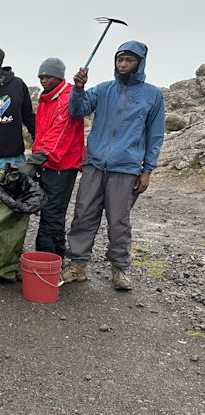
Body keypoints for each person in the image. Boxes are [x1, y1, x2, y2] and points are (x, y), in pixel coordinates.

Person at [62, 41, 165, 290]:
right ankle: (78, 265)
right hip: (95, 164)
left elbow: (155, 135)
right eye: (119, 59)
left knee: (119, 221)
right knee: (83, 215)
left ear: (140, 63)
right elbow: (77, 111)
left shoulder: (153, 95)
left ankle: (120, 269)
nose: (122, 64)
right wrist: (78, 88)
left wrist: (147, 170)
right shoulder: (104, 89)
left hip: (126, 168)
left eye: (128, 60)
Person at [16, 58, 85, 257]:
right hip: (47, 163)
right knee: (53, 213)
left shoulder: (67, 98)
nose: (43, 80)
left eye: (48, 76)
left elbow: (58, 135)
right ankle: (58, 256)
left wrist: (34, 161)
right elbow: (41, 134)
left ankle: (45, 261)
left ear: (59, 76)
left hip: (62, 166)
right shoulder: (47, 98)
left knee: (52, 214)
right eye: (41, 77)